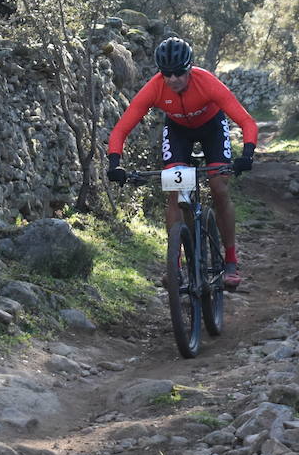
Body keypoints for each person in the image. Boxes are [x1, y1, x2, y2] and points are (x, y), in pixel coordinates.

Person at [106, 36, 256, 289]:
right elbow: (120, 129)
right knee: (175, 192)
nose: (173, 79)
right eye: (167, 74)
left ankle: (230, 260)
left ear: (189, 68)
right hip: (178, 132)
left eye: (179, 73)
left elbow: (247, 122)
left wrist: (247, 155)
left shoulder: (206, 82)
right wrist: (114, 164)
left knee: (219, 188)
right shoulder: (155, 88)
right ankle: (174, 265)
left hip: (212, 129)